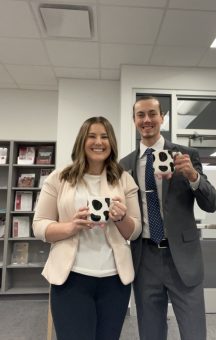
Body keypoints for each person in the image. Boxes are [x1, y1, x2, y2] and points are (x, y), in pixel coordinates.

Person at [33, 116, 141, 340]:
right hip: (71, 278)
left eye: (104, 136)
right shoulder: (59, 178)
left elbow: (135, 231)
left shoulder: (124, 179)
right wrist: (71, 227)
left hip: (114, 281)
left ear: (111, 142)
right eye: (92, 136)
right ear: (82, 141)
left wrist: (121, 218)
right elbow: (39, 226)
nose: (98, 142)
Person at [120, 96, 216, 340]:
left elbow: (212, 204)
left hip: (183, 258)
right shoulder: (124, 165)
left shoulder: (186, 155)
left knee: (194, 332)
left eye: (152, 114)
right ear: (134, 120)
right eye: (140, 115)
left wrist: (193, 176)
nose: (147, 120)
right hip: (144, 258)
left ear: (162, 118)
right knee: (151, 332)